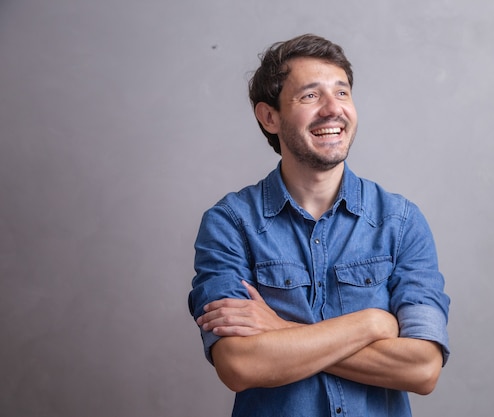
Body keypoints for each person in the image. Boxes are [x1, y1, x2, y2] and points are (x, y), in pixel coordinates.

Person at [188, 33, 450, 417]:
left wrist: (278, 329)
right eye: (310, 96)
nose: (333, 109)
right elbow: (239, 365)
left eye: (342, 93)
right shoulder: (230, 224)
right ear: (269, 117)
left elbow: (423, 368)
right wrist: (372, 323)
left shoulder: (401, 223)